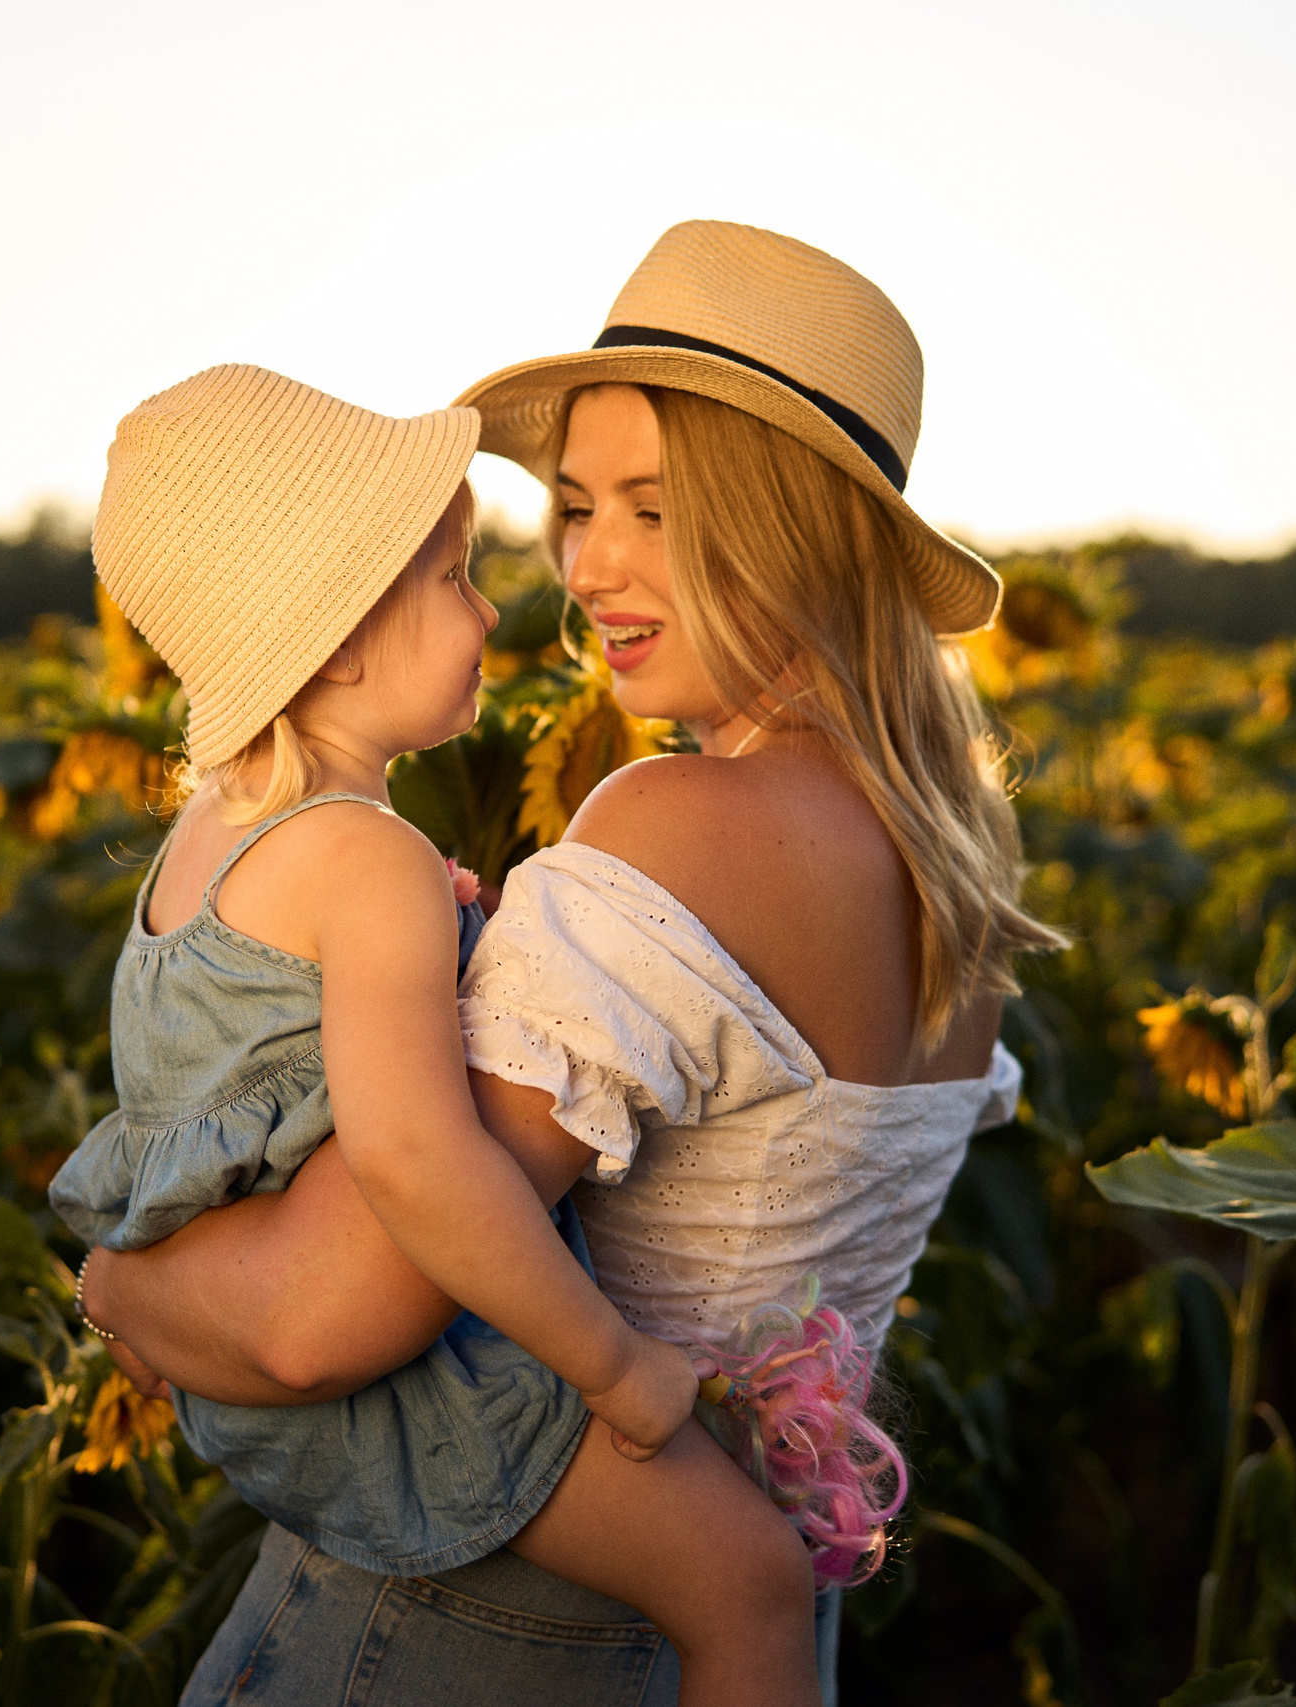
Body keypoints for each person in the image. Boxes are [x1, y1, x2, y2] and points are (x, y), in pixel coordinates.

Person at [81, 221, 1066, 1706]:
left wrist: (117, 1282)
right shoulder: (955, 861)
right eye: (577, 504)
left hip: (465, 1628)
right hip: (757, 1625)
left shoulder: (674, 827)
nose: (586, 568)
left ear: (792, 524)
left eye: (656, 511)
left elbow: (314, 1323)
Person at [49, 362, 822, 1707]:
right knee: (752, 1587)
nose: (494, 605)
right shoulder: (369, 862)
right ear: (342, 635)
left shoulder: (209, 844)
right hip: (419, 1394)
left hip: (241, 1389)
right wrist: (615, 1365)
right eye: (456, 576)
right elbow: (413, 1162)